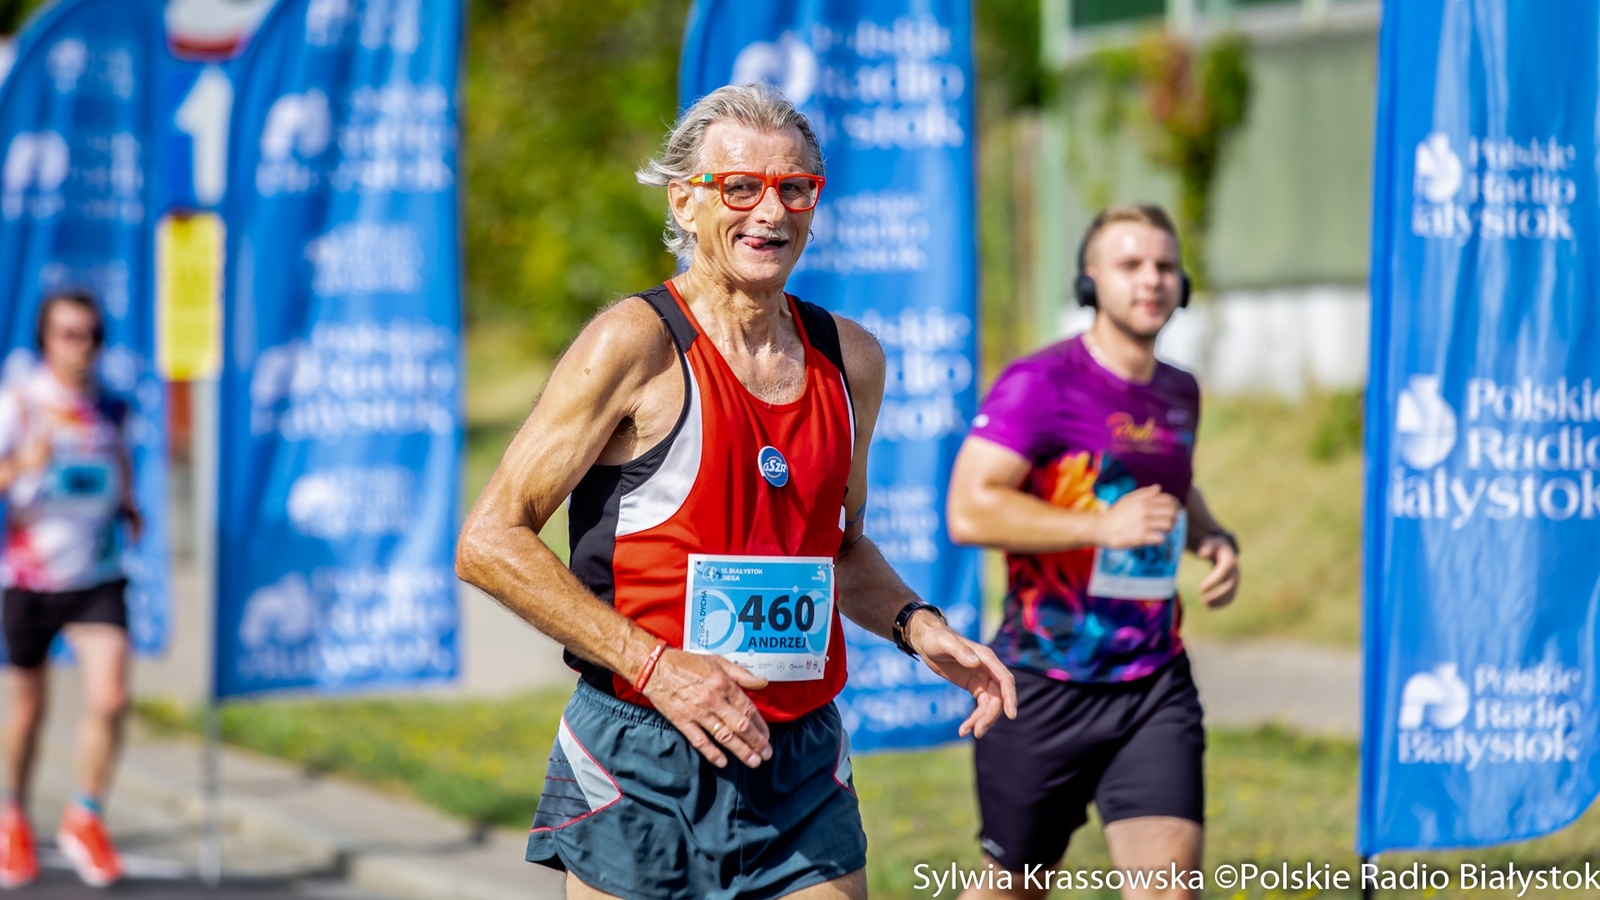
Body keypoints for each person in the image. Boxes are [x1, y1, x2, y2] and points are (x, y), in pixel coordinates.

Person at [455, 82, 1016, 900]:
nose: (771, 211)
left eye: (795, 187)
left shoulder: (850, 358)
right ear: (685, 202)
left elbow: (841, 545)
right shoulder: (635, 345)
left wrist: (916, 624)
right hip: (642, 750)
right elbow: (490, 540)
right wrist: (657, 667)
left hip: (799, 761)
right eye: (741, 187)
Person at [946, 204, 1241, 900]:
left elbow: (1173, 486)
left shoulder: (1179, 391)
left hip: (1152, 681)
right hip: (1044, 683)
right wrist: (1099, 530)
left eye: (1165, 266)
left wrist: (1212, 538)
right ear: (1090, 282)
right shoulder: (1039, 383)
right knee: (1014, 891)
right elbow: (969, 508)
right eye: (1130, 265)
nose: (1152, 280)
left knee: (1169, 892)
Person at [0, 291, 140, 888]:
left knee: (110, 697)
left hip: (95, 576)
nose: (79, 348)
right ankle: (11, 817)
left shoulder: (110, 408)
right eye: (66, 334)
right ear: (45, 340)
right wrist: (21, 467)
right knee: (29, 709)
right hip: (30, 578)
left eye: (88, 335)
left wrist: (129, 505)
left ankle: (85, 815)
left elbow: (117, 465)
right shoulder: (20, 403)